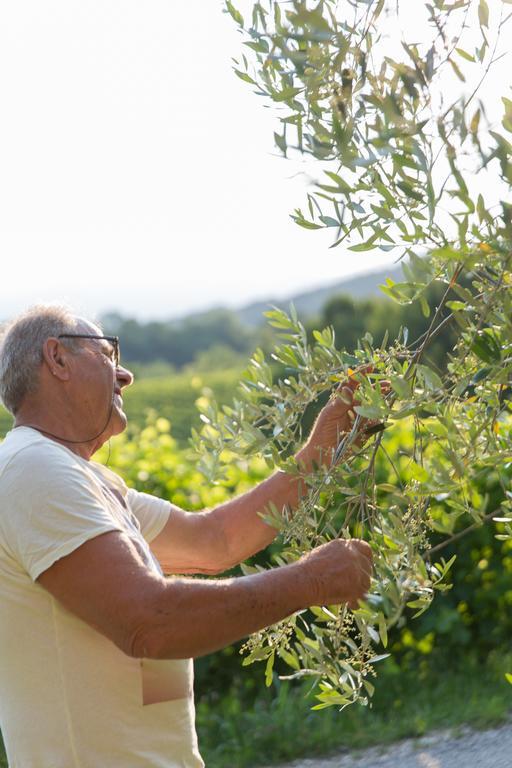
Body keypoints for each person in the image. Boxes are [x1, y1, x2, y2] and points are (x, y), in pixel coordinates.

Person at [0, 304, 376, 768]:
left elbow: (214, 540)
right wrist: (311, 582)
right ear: (57, 359)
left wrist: (325, 446)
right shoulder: (33, 470)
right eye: (108, 352)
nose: (125, 375)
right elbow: (150, 622)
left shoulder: (85, 480)